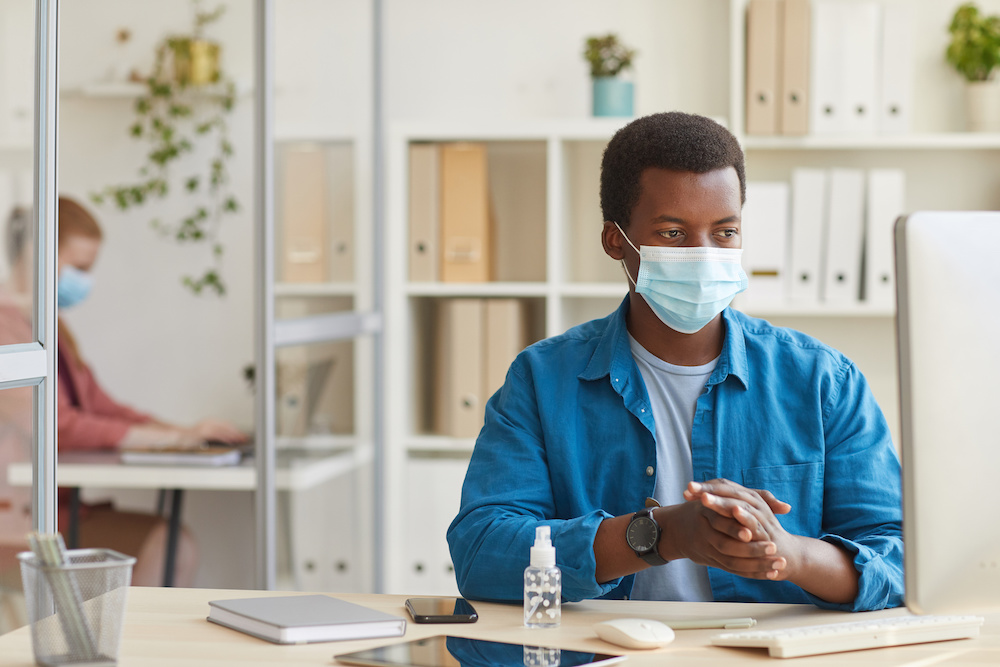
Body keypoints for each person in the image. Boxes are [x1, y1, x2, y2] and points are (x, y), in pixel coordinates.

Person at [446, 112, 903, 612]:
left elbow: (900, 561)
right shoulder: (541, 380)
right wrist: (659, 535)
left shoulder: (823, 382)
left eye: (725, 233)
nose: (704, 254)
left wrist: (790, 553)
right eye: (673, 233)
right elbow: (482, 553)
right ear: (615, 240)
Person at [0, 197, 247, 587]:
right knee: (167, 546)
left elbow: (101, 406)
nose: (84, 281)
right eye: (78, 268)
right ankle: (123, 648)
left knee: (173, 542)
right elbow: (56, 426)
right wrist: (173, 438)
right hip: (19, 521)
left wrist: (185, 434)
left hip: (58, 509)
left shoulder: (50, 326)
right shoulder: (5, 329)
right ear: (36, 251)